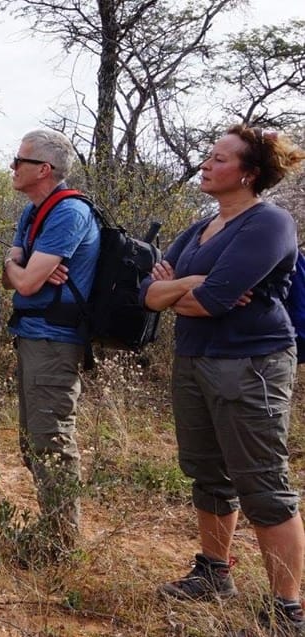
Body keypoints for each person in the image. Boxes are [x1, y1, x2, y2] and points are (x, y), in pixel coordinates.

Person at [143, 125, 305, 634]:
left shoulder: (268, 223)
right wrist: (187, 285)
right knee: (206, 471)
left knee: (262, 482)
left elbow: (207, 302)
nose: (206, 165)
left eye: (219, 158)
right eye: (207, 157)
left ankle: (286, 608)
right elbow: (149, 296)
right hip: (193, 359)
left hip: (251, 363)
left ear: (249, 173)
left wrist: (183, 288)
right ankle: (214, 573)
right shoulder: (198, 229)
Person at [1, 129, 100, 561]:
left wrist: (19, 266)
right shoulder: (32, 212)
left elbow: (24, 280)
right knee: (33, 440)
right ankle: (54, 533)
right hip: (32, 334)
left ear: (44, 169)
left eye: (19, 161)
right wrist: (15, 263)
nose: (12, 167)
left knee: (51, 441)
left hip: (55, 340)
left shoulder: (68, 212)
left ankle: (62, 545)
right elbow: (12, 277)